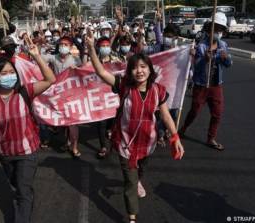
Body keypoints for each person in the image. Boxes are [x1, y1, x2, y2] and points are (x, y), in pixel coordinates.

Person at [86, 29, 184, 223]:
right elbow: (101, 71)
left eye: (143, 67)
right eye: (135, 67)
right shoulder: (123, 86)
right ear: (129, 71)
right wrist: (91, 49)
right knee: (130, 183)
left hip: (148, 144)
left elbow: (164, 115)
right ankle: (132, 217)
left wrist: (175, 137)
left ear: (150, 69)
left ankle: (138, 178)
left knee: (140, 170)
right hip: (125, 145)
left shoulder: (158, 90)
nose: (139, 71)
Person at [0, 40, 56, 223]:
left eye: (12, 72)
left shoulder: (25, 92)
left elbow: (51, 80)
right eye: (4, 73)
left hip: (28, 152)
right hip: (5, 153)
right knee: (17, 186)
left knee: (23, 190)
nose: (9, 76)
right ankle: (24, 200)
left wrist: (36, 56)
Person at [179, 12, 232, 151]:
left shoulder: (224, 45)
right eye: (216, 28)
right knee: (195, 111)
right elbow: (196, 66)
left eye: (220, 29)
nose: (218, 32)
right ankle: (183, 128)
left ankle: (211, 138)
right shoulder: (201, 46)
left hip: (216, 86)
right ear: (209, 29)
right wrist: (205, 59)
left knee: (217, 113)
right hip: (201, 85)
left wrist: (225, 58)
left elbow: (229, 64)